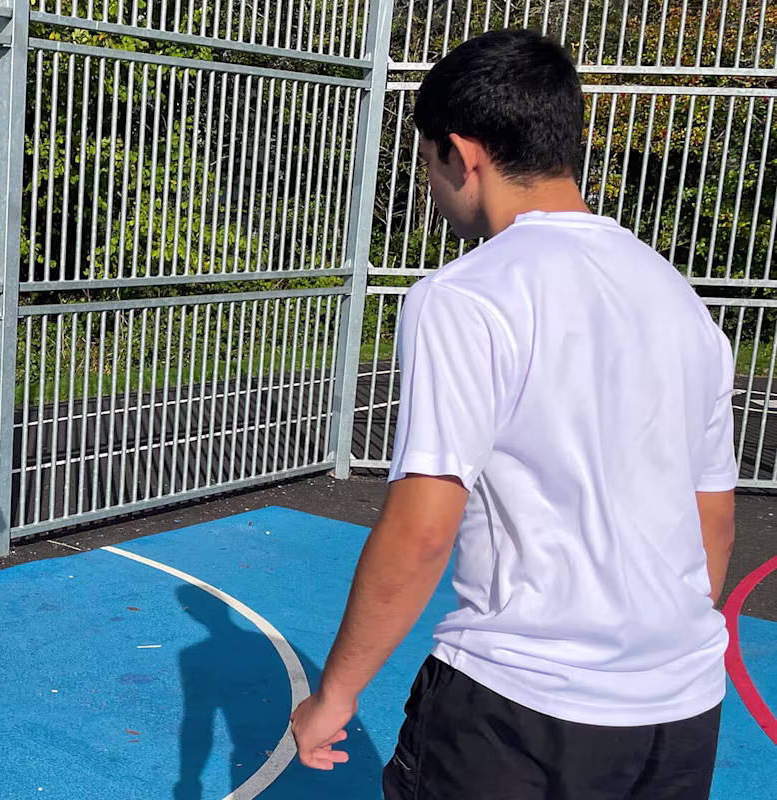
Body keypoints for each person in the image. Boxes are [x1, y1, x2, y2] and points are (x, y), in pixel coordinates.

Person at [289, 29, 738, 798]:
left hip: (520, 707)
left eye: (427, 163)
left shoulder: (466, 296)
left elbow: (423, 529)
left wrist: (335, 695)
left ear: (462, 155)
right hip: (682, 710)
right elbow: (715, 523)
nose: (431, 187)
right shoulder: (678, 299)